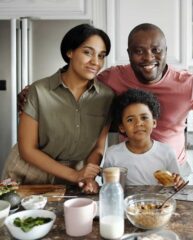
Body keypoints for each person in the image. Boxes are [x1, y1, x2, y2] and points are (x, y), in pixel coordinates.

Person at [17, 23, 193, 183]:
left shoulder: (188, 84)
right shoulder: (111, 78)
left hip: (173, 173)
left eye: (156, 50)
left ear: (166, 51)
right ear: (128, 54)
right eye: (139, 51)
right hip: (130, 171)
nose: (148, 57)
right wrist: (34, 90)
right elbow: (77, 73)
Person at [2, 24, 115, 193]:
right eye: (87, 52)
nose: (96, 62)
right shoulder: (38, 91)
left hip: (73, 177)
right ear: (70, 52)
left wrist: (87, 176)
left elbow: (98, 148)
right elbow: (27, 149)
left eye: (101, 55)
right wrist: (75, 175)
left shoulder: (106, 97)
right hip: (27, 172)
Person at [103, 88, 185, 188]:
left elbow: (176, 184)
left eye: (144, 118)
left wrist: (178, 181)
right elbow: (108, 187)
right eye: (130, 120)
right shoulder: (112, 155)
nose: (138, 123)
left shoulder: (167, 152)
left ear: (154, 122)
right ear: (122, 127)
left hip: (160, 202)